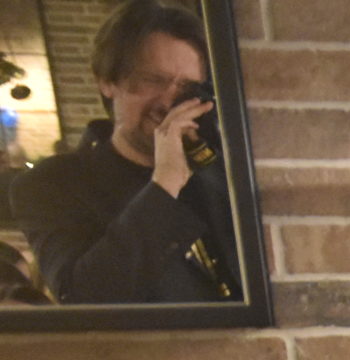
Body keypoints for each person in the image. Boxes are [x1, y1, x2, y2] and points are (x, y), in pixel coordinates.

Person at [14, 1, 241, 305]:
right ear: (107, 82)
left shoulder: (217, 172)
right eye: (153, 81)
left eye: (186, 87)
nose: (168, 103)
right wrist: (165, 184)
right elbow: (84, 298)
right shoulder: (51, 184)